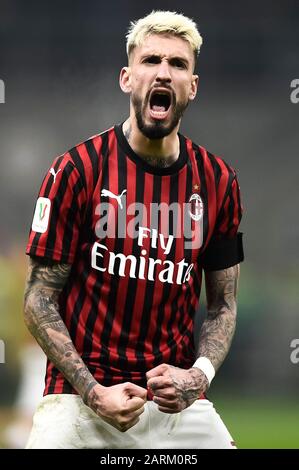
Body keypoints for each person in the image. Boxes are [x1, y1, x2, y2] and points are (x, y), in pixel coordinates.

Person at [24, 10, 244, 449]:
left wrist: (197, 376)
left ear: (192, 87)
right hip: (80, 400)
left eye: (178, 64)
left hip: (175, 407)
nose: (163, 72)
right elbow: (38, 298)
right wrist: (93, 392)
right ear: (127, 78)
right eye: (151, 60)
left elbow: (223, 305)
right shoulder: (76, 170)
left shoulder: (219, 182)